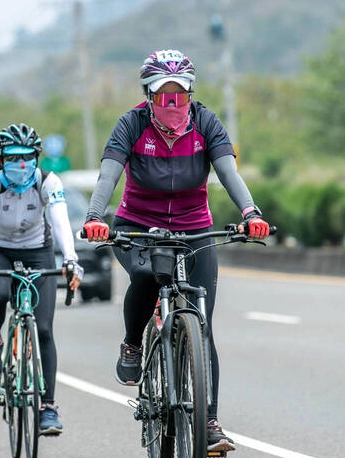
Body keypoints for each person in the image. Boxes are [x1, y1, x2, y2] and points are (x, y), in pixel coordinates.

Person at [81, 49, 271, 452]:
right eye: (164, 96)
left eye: (180, 95)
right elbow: (108, 175)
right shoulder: (131, 125)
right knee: (148, 276)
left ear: (191, 94)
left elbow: (228, 172)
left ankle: (210, 422)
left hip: (193, 229)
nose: (173, 104)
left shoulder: (206, 122)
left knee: (201, 323)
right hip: (137, 227)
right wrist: (95, 216)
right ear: (148, 96)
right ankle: (134, 342)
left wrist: (251, 212)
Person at [0, 123, 84, 436]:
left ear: (36, 157)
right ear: (0, 159)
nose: (21, 165)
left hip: (38, 252)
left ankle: (48, 407)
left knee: (45, 329)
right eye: (12, 157)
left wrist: (71, 260)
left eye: (27, 157)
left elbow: (61, 222)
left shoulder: (48, 181)